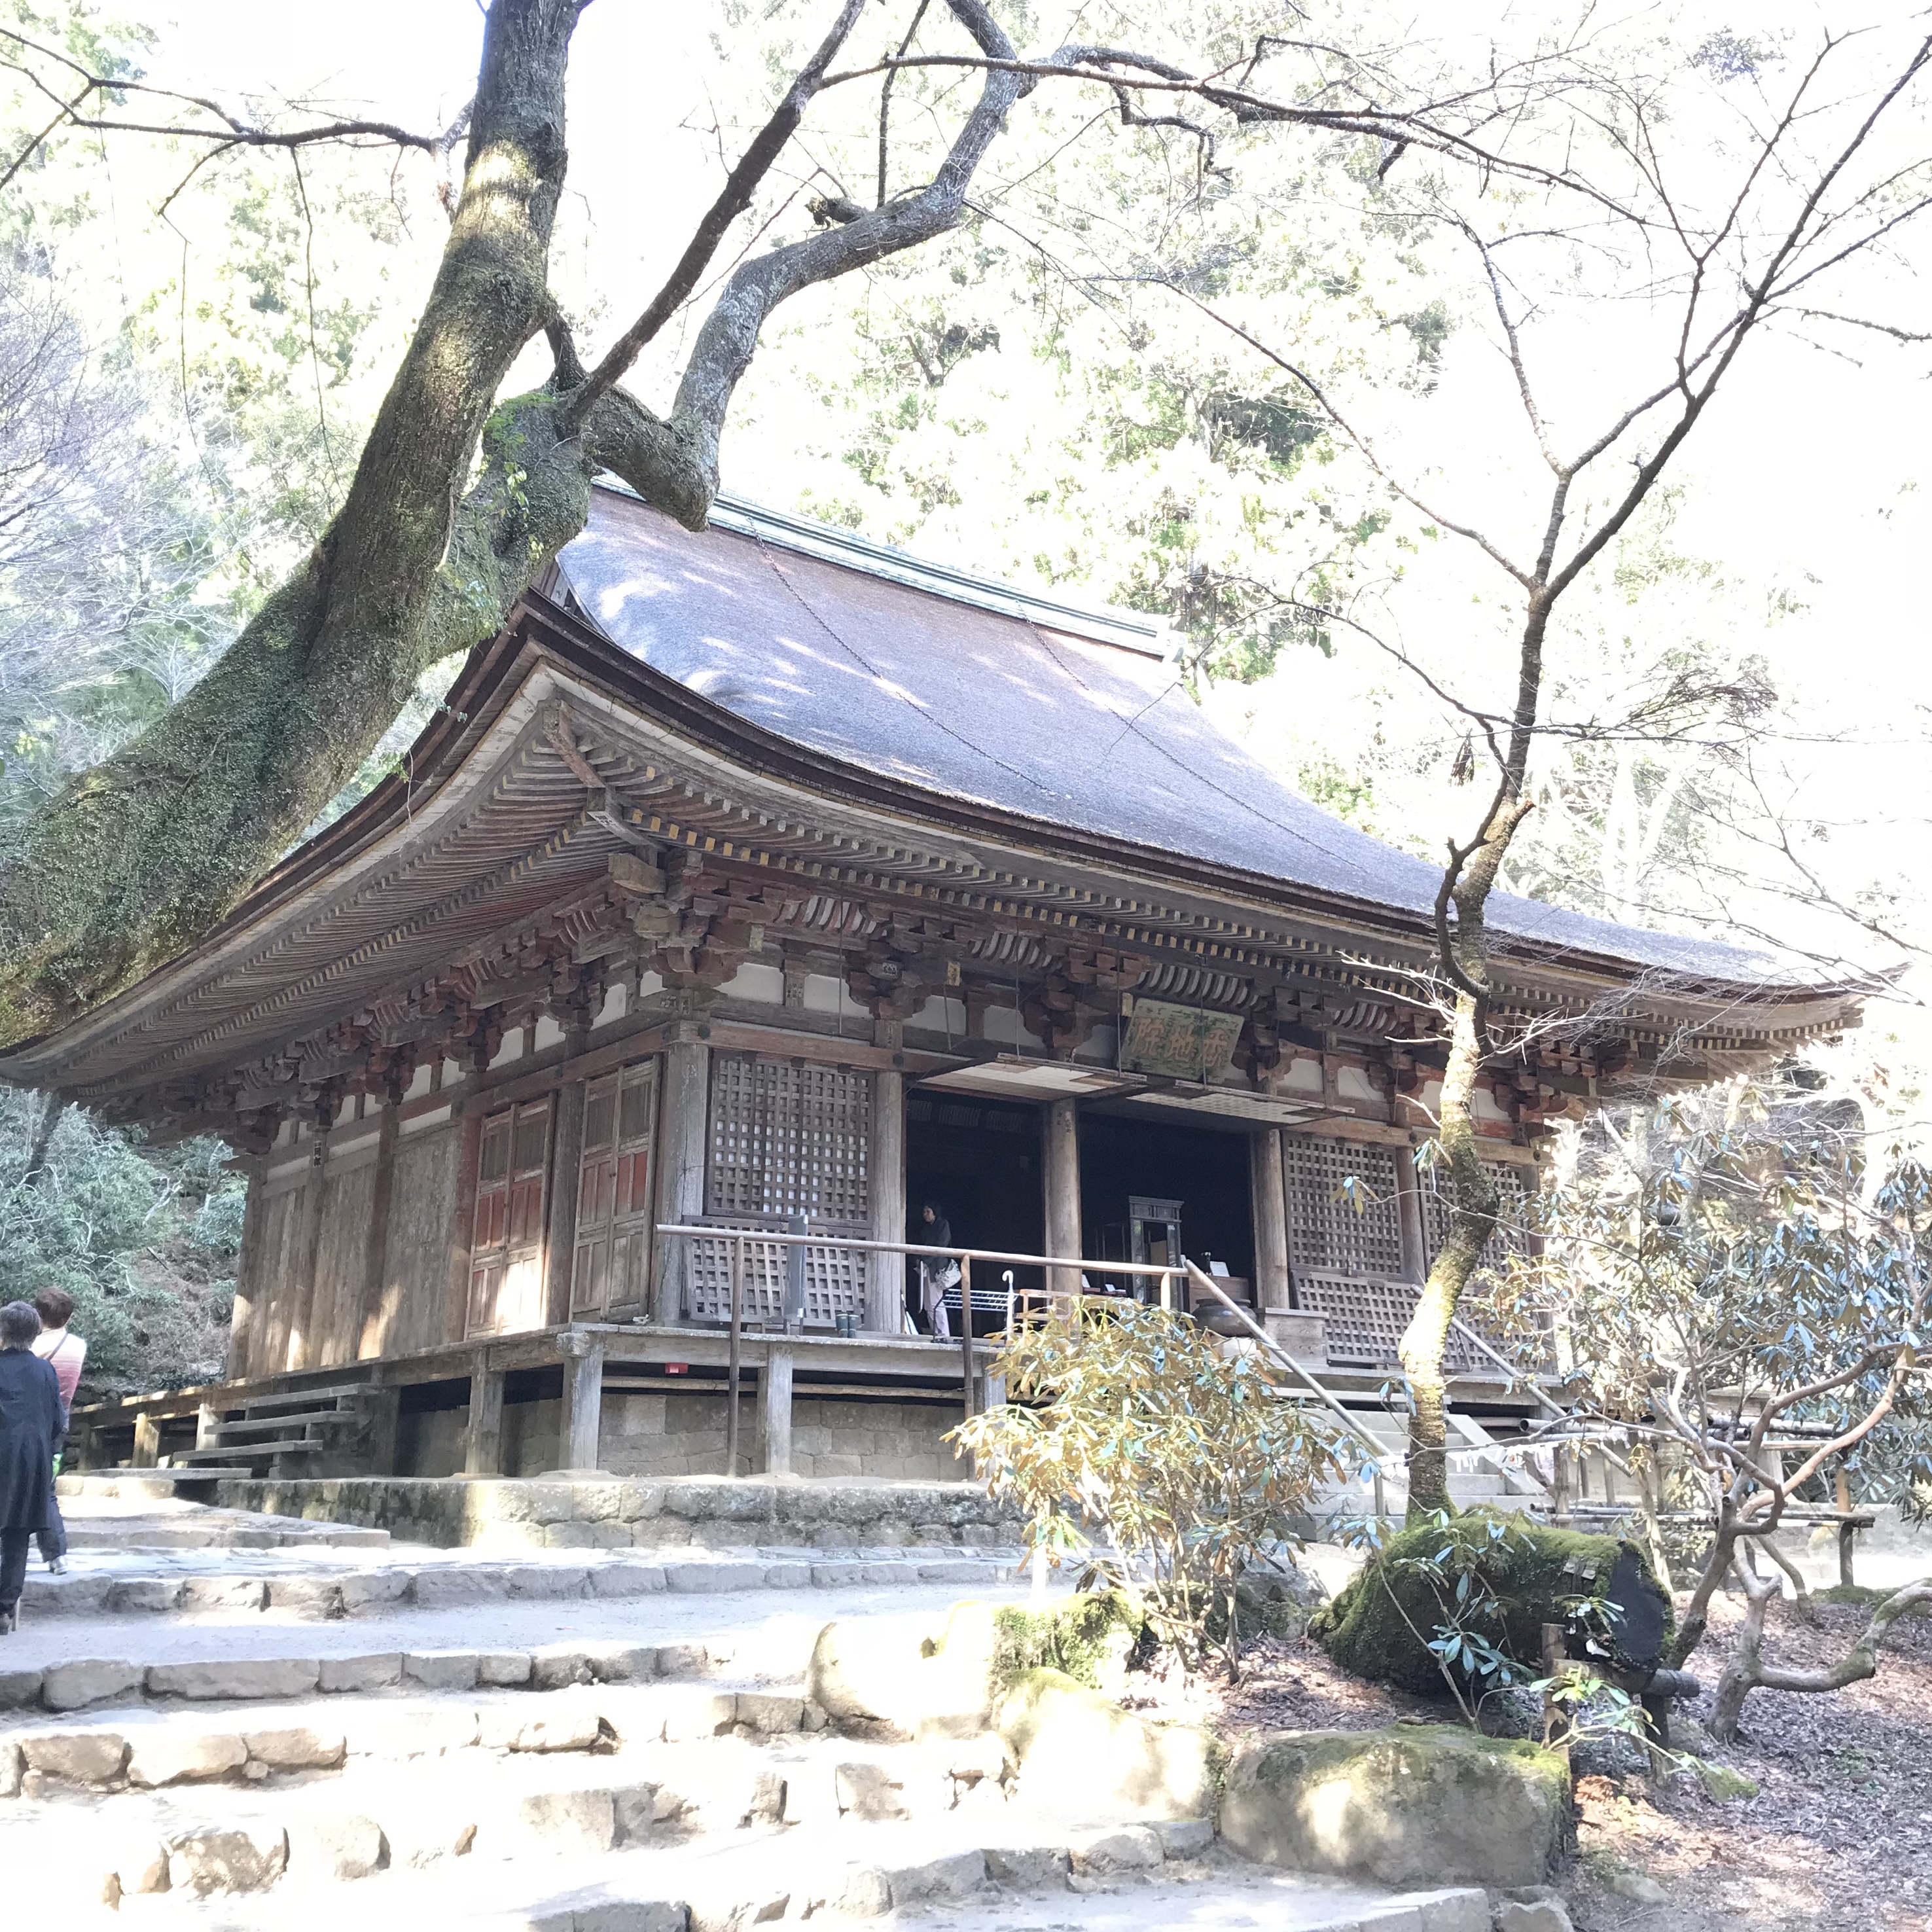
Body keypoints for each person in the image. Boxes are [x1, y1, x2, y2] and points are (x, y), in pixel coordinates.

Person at [0, 1300, 64, 1635]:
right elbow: (57, 1423)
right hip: (31, 1462)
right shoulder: (45, 1371)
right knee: (16, 1536)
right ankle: (4, 1609)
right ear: (36, 1334)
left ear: (3, 1333)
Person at [31, 1288, 84, 1575]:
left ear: (36, 1315)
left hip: (26, 1424)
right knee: (47, 1490)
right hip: (59, 1424)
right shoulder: (78, 1346)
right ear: (69, 1317)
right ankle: (57, 1556)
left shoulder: (30, 1347)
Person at [914, 1203, 958, 1341]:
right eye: (924, 1212)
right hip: (926, 1268)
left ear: (935, 1213)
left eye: (928, 1211)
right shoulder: (926, 1228)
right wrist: (919, 1261)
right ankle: (936, 1332)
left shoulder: (943, 1225)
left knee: (936, 1302)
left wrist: (926, 1261)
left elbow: (941, 1246)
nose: (925, 1215)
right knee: (927, 1304)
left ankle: (943, 1334)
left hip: (936, 1268)